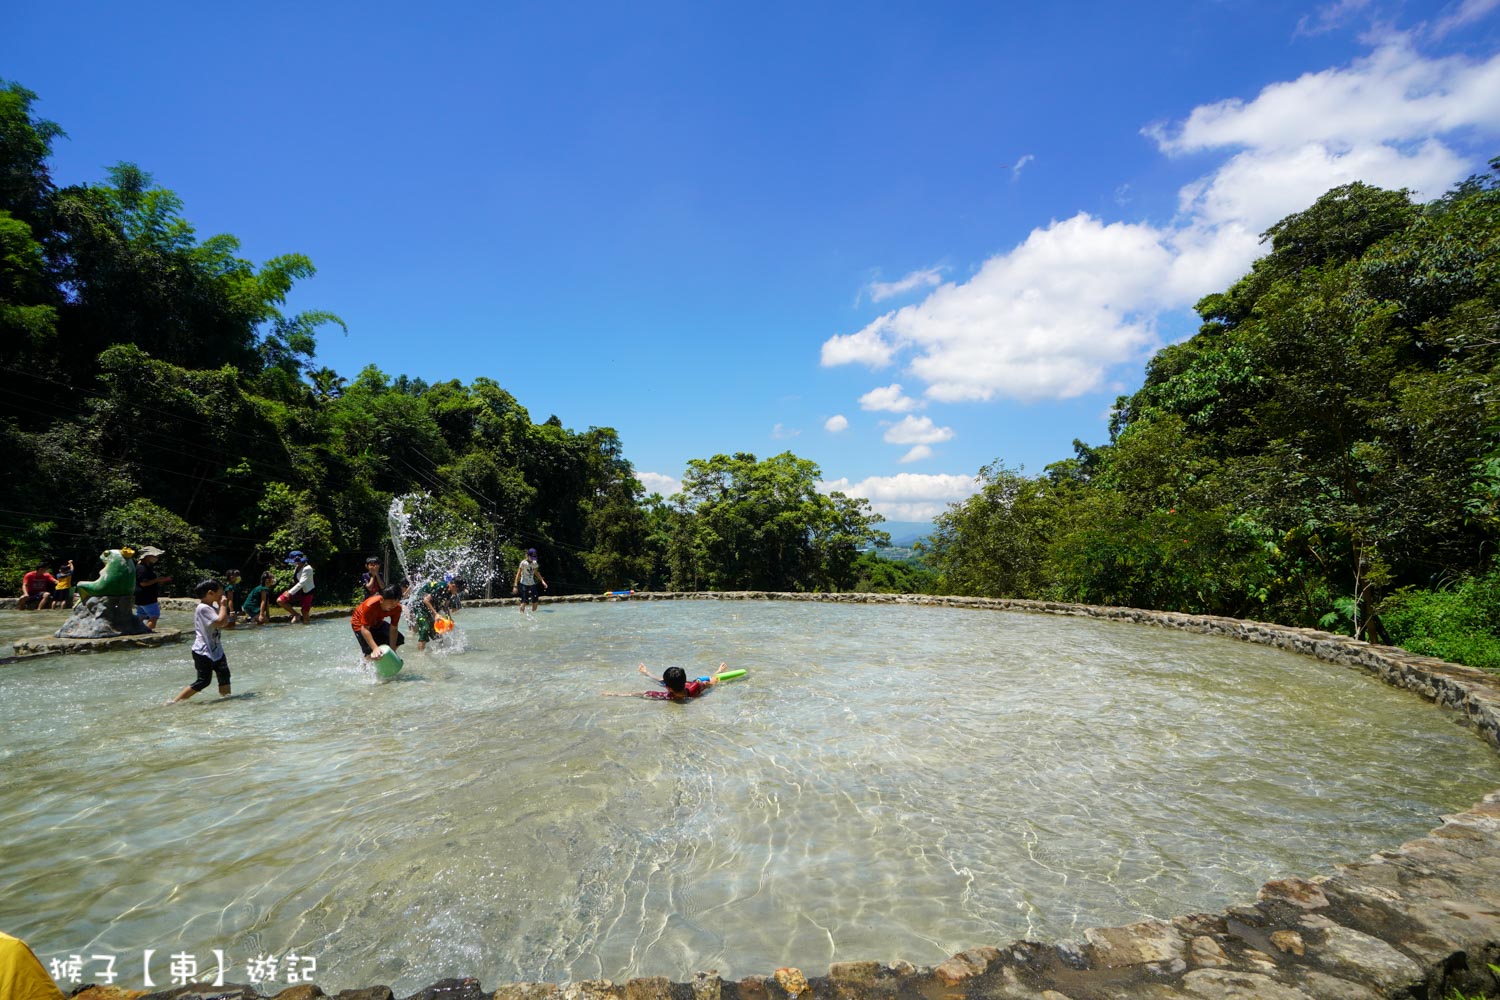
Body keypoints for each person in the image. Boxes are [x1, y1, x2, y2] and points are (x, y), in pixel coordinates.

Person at [171, 578, 232, 702]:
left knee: (224, 675)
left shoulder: (211, 607)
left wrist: (223, 610)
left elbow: (223, 623)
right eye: (220, 591)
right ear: (210, 593)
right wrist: (223, 606)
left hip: (216, 649)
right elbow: (220, 622)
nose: (222, 593)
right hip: (203, 652)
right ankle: (174, 702)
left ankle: (226, 701)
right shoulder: (203, 608)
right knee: (203, 681)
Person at [605, 663, 731, 701]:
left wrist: (615, 694)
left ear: (668, 688)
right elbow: (712, 681)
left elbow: (640, 693)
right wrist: (718, 672)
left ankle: (647, 672)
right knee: (659, 679)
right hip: (685, 685)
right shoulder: (696, 687)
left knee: (659, 680)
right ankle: (646, 672)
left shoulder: (666, 696)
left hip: (686, 684)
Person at [352, 583, 406, 660]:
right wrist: (375, 648)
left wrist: (392, 650)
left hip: (376, 621)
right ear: (381, 600)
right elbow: (365, 629)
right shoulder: (370, 605)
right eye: (391, 603)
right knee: (369, 651)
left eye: (396, 602)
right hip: (359, 623)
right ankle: (365, 665)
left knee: (399, 639)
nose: (393, 606)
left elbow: (393, 628)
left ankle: (382, 658)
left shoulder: (397, 608)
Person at [413, 575, 463, 651]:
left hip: (429, 607)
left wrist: (449, 618)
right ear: (453, 586)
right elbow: (426, 600)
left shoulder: (449, 592)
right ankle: (420, 656)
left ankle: (440, 651)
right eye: (459, 590)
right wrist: (436, 614)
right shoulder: (442, 586)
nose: (458, 593)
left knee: (437, 635)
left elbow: (445, 606)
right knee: (425, 629)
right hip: (419, 606)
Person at [134, 546, 173, 630]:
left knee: (141, 615)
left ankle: (135, 631)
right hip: (146, 597)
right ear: (148, 556)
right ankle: (148, 634)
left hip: (140, 597)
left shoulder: (142, 566)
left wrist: (158, 580)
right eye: (154, 556)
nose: (156, 558)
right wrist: (157, 580)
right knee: (154, 615)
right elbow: (143, 583)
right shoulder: (142, 568)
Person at [276, 550, 315, 624]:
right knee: (280, 600)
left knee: (304, 611)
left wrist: (290, 592)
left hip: (307, 591)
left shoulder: (308, 568)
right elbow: (296, 581)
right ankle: (296, 615)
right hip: (297, 590)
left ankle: (307, 627)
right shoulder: (297, 567)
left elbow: (302, 583)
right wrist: (288, 591)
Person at [513, 547, 547, 614]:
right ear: (527, 555)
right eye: (531, 557)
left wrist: (543, 581)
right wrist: (515, 585)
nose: (532, 559)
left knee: (536, 600)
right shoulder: (523, 563)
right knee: (524, 601)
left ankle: (533, 613)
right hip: (524, 584)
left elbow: (536, 573)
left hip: (532, 584)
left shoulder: (534, 563)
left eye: (534, 558)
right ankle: (521, 615)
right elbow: (518, 574)